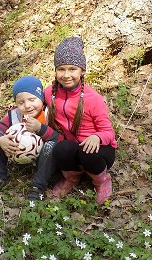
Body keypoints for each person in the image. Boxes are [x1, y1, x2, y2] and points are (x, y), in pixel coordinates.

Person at [44, 36, 118, 205]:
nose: (66, 75)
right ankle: (72, 178)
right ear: (55, 71)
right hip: (71, 148)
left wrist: (97, 137)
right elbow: (30, 104)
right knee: (60, 148)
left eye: (72, 69)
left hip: (98, 150)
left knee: (87, 151)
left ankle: (101, 181)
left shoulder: (93, 99)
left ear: (82, 71)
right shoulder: (50, 93)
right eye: (61, 69)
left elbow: (108, 132)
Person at [0, 76, 63, 200]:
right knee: (0, 137)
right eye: (21, 102)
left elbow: (59, 138)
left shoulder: (49, 113)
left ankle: (38, 186)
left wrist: (41, 128)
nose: (27, 106)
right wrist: (1, 138)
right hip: (20, 154)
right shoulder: (15, 115)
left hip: (45, 159)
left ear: (41, 98)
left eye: (32, 99)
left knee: (51, 145)